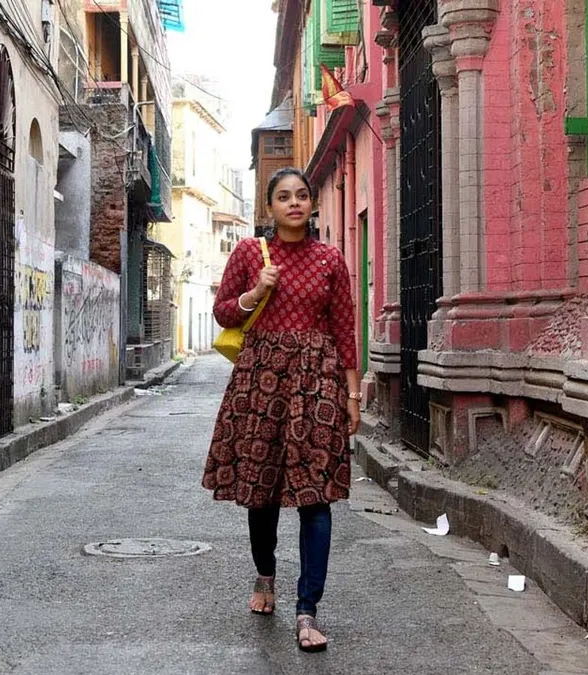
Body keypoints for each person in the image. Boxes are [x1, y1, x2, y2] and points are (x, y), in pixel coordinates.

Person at [202, 167, 362, 653]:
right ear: (270, 207)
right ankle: (265, 573)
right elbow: (223, 311)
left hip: (316, 384)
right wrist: (255, 292)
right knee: (262, 492)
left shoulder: (330, 260)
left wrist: (352, 395)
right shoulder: (250, 253)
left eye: (302, 195)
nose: (294, 203)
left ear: (312, 204)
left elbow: (344, 329)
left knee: (316, 497)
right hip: (261, 382)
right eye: (284, 197)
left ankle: (307, 609)